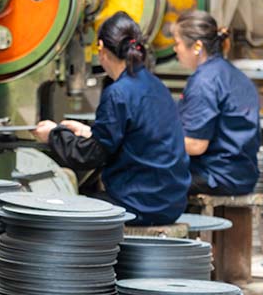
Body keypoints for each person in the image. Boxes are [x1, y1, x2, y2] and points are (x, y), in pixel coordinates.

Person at [32, 12, 190, 225]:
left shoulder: (118, 93)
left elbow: (89, 156)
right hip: (169, 202)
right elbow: (136, 136)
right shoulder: (155, 85)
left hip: (139, 204)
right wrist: (89, 132)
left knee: (57, 208)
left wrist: (53, 135)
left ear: (101, 49)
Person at [172, 10, 260, 195]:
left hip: (216, 175)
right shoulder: (234, 74)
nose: (175, 49)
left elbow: (196, 145)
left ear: (197, 46)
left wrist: (149, 143)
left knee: (143, 182)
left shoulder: (204, 81)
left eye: (177, 43)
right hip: (242, 174)